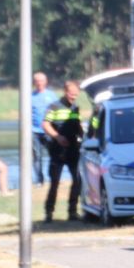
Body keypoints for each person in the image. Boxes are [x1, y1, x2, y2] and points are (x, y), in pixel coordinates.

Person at [43, 80, 84, 223]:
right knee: (55, 182)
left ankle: (72, 211)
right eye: (71, 94)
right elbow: (45, 124)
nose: (73, 97)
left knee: (78, 180)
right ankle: (49, 212)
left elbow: (77, 125)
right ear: (65, 92)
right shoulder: (53, 106)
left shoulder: (75, 107)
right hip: (58, 149)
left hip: (73, 149)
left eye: (76, 95)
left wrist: (85, 137)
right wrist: (57, 137)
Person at [32, 72, 56, 185]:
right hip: (34, 131)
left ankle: (53, 178)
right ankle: (39, 180)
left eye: (41, 81)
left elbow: (57, 111)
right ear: (34, 82)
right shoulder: (30, 97)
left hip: (49, 131)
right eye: (37, 81)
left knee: (53, 155)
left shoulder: (51, 96)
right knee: (37, 156)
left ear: (45, 82)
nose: (39, 83)